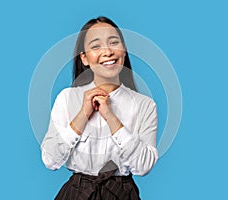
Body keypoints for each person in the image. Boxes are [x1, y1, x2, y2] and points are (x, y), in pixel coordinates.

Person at [41, 16, 158, 200]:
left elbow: (143, 166)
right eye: (96, 46)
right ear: (85, 58)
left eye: (113, 42)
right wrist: (82, 114)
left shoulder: (145, 105)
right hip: (77, 193)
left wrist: (111, 118)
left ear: (124, 51)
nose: (107, 52)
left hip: (122, 194)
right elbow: (50, 159)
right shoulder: (67, 98)